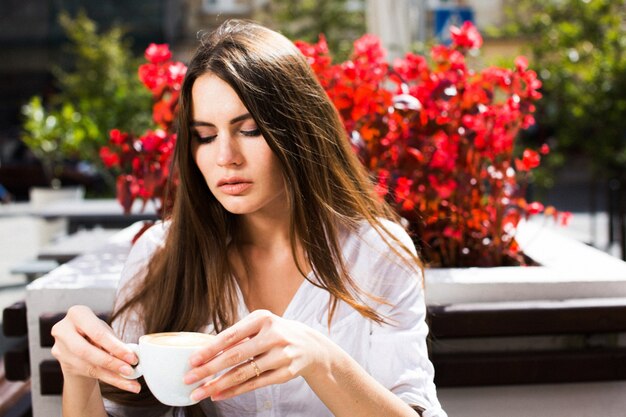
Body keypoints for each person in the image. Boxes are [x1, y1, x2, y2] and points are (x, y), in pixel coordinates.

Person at [50, 19, 447, 417]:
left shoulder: (376, 251)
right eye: (205, 136)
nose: (225, 157)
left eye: (251, 130)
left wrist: (321, 359)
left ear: (299, 131)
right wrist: (78, 372)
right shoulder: (160, 256)